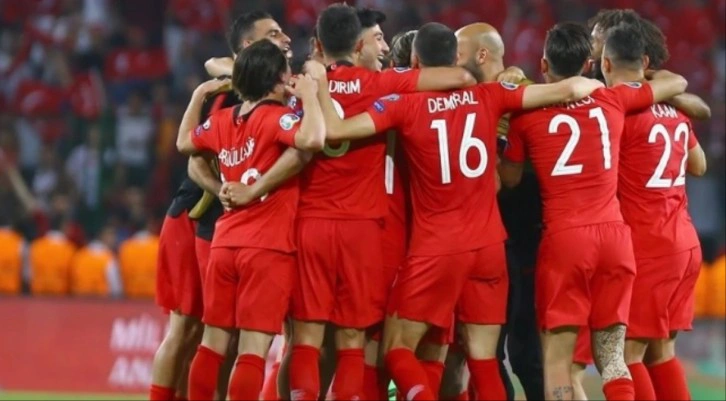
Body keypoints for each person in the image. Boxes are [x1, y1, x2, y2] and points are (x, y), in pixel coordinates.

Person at [309, 21, 605, 401]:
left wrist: (319, 86)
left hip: (437, 248)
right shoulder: (489, 95)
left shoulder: (404, 104)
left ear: (416, 62)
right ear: (454, 59)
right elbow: (569, 88)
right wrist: (604, 89)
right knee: (484, 360)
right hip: (490, 248)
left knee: (396, 350)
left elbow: (336, 131)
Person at [288, 4, 478, 401]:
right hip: (362, 228)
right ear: (358, 45)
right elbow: (460, 76)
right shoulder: (382, 84)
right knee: (354, 342)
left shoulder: (301, 86)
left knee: (305, 339)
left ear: (319, 45)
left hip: (311, 223)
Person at [499, 22, 688, 401]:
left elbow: (511, 178)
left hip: (566, 242)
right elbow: (675, 84)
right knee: (614, 359)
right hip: (615, 241)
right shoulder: (613, 99)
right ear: (589, 64)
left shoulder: (526, 116)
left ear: (544, 64)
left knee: (558, 362)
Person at [178, 39, 326, 401]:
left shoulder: (222, 120)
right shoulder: (277, 117)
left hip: (225, 244)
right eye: (287, 73)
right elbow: (312, 139)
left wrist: (198, 96)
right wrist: (310, 96)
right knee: (252, 350)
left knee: (212, 344)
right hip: (266, 247)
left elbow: (185, 144)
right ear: (277, 80)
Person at [604, 25, 707, 401]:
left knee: (627, 354)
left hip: (648, 244)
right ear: (645, 62)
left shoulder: (617, 109)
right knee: (662, 352)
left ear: (606, 63)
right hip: (683, 241)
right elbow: (699, 164)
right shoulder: (674, 107)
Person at [453, 22, 540, 401]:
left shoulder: (525, 96)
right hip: (485, 245)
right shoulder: (462, 99)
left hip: (524, 247)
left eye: (458, 53)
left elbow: (511, 178)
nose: (453, 62)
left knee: (525, 357)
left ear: (482, 55)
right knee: (482, 354)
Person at [587, 8, 711, 121]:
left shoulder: (651, 81)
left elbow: (703, 110)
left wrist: (659, 92)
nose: (589, 47)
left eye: (595, 41)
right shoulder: (593, 83)